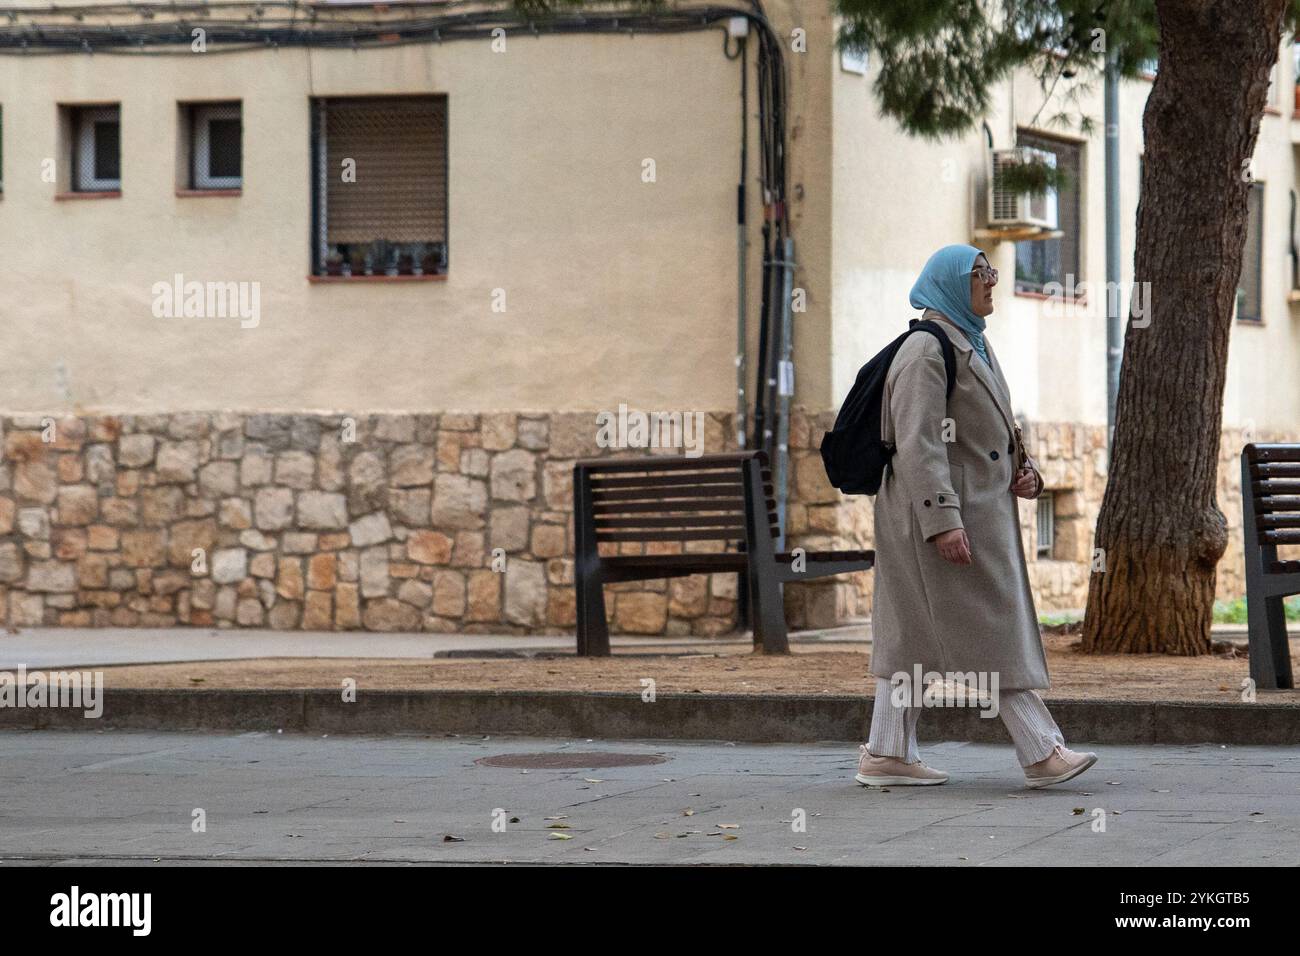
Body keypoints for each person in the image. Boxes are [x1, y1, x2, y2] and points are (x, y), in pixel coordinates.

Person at [854, 244, 1097, 789]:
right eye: (979, 273)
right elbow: (918, 443)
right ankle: (1042, 751)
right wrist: (942, 520)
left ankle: (886, 752)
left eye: (991, 271)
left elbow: (990, 430)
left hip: (977, 509)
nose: (992, 280)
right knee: (992, 623)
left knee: (913, 634)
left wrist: (1023, 469)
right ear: (949, 283)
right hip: (938, 514)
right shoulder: (926, 349)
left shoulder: (972, 343)